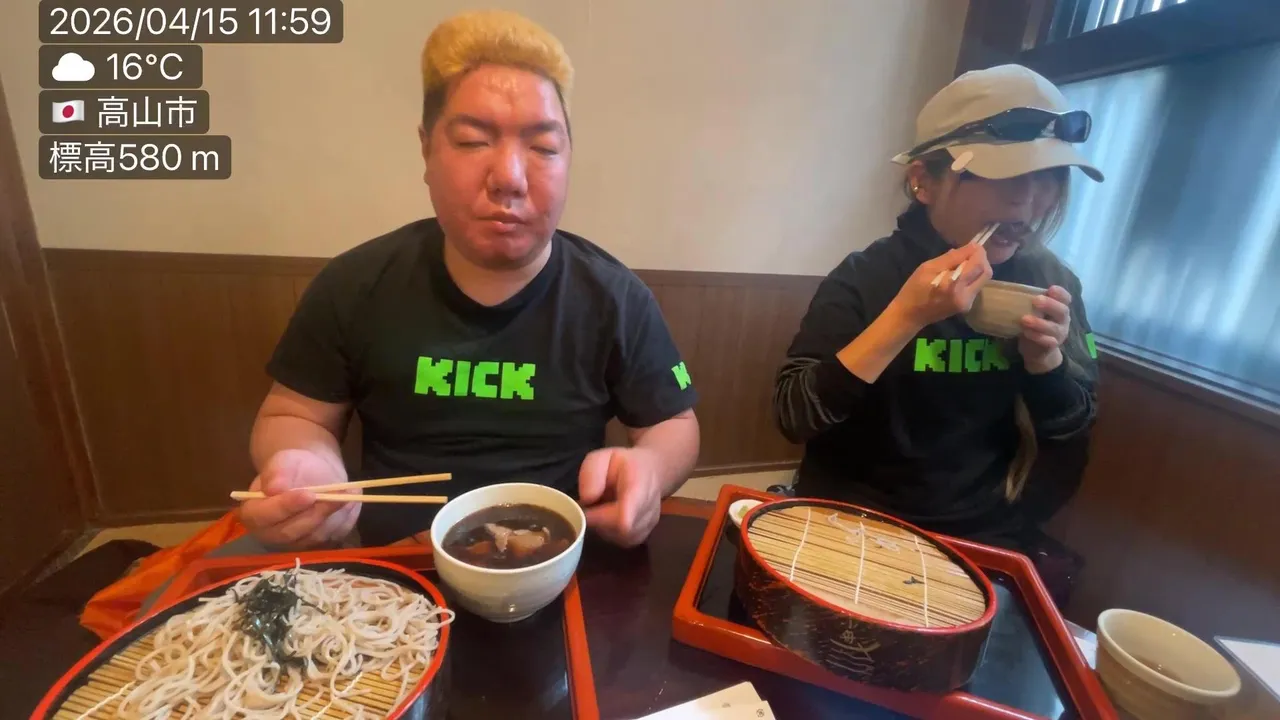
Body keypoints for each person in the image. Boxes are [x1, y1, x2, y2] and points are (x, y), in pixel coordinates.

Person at [239, 10, 700, 552]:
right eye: (473, 140)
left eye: (543, 148)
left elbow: (674, 423)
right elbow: (293, 413)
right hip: (399, 568)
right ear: (427, 150)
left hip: (557, 562)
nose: (509, 177)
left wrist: (651, 469)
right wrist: (305, 462)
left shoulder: (615, 297)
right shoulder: (354, 284)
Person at [773, 64, 1103, 555]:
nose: (1028, 198)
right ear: (923, 181)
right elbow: (793, 414)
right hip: (850, 521)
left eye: (1048, 175)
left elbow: (1076, 425)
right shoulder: (866, 275)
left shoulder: (1053, 284)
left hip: (979, 534)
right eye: (1003, 174)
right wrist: (905, 317)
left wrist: (1045, 364)